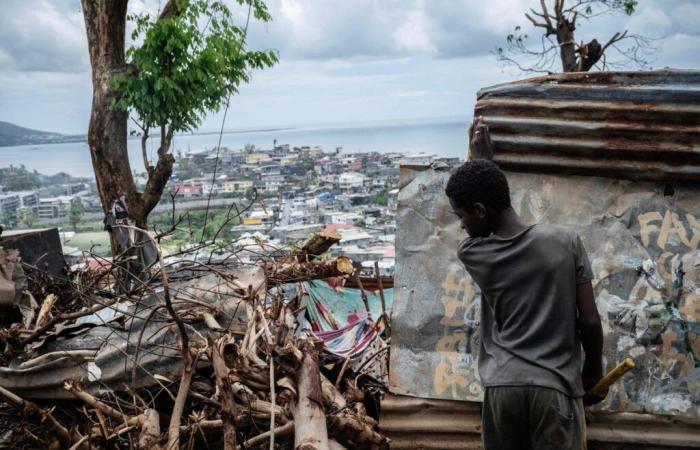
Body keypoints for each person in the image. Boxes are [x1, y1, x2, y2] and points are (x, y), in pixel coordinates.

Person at [444, 117, 606, 450]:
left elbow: (482, 211)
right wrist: (592, 370)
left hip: (503, 390)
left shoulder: (475, 253)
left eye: (461, 215)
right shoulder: (565, 242)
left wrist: (482, 162)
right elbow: (589, 320)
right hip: (554, 388)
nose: (461, 226)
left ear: (478, 211)